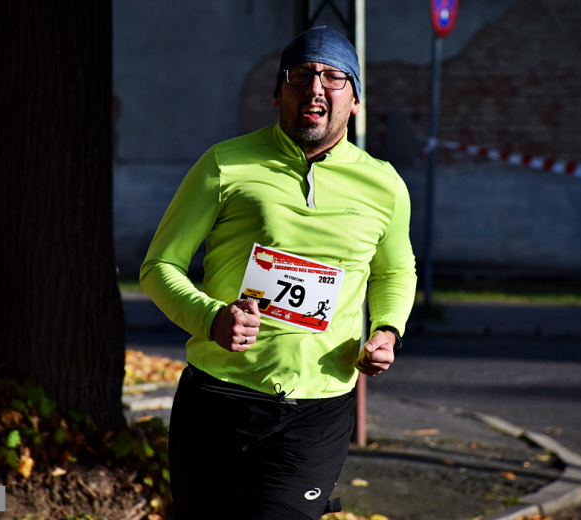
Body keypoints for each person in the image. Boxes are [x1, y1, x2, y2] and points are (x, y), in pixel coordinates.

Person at [140, 25, 417, 520]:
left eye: (334, 78)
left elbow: (396, 270)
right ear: (277, 93)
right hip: (219, 399)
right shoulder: (225, 164)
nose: (316, 88)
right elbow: (159, 266)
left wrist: (388, 330)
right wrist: (211, 319)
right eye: (301, 76)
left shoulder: (384, 185)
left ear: (355, 100)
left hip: (319, 407)